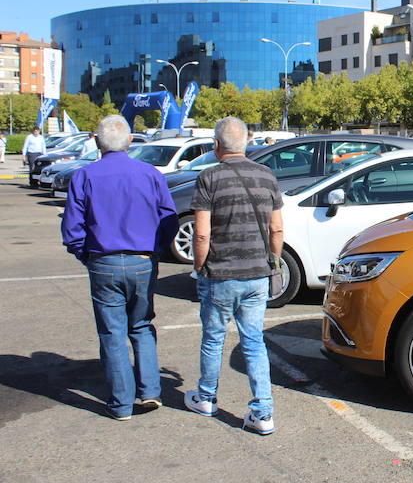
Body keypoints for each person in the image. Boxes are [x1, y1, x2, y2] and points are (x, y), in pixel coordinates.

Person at [61, 115, 178, 420]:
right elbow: (169, 219)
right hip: (142, 260)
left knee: (112, 332)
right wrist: (157, 250)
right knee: (141, 325)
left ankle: (121, 403)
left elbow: (72, 228)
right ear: (129, 141)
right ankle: (150, 391)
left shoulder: (84, 176)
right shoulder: (150, 174)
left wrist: (85, 255)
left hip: (104, 261)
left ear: (98, 143)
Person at [185, 116, 283, 435]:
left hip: (220, 274)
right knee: (254, 341)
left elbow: (201, 235)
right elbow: (277, 228)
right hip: (257, 274)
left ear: (216, 145)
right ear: (246, 144)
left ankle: (206, 397)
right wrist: (274, 261)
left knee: (213, 338)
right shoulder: (266, 175)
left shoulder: (209, 177)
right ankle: (263, 412)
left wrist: (200, 266)